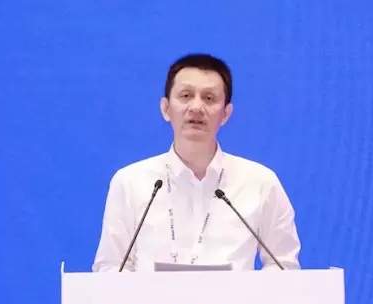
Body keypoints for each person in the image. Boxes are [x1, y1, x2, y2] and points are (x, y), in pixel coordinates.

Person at [92, 53, 301, 272]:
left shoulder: (260, 183)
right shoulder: (130, 182)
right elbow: (110, 268)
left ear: (226, 114)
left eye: (209, 98)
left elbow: (284, 266)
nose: (196, 107)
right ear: (165, 108)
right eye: (186, 95)